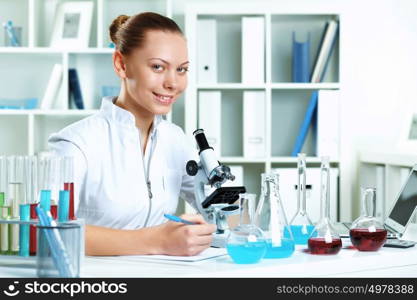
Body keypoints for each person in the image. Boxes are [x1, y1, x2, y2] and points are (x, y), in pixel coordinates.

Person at [48, 12, 216, 256]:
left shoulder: (174, 139)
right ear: (121, 65)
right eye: (158, 67)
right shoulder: (76, 143)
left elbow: (216, 206)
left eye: (181, 69)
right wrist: (158, 241)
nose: (173, 83)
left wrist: (238, 212)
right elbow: (50, 230)